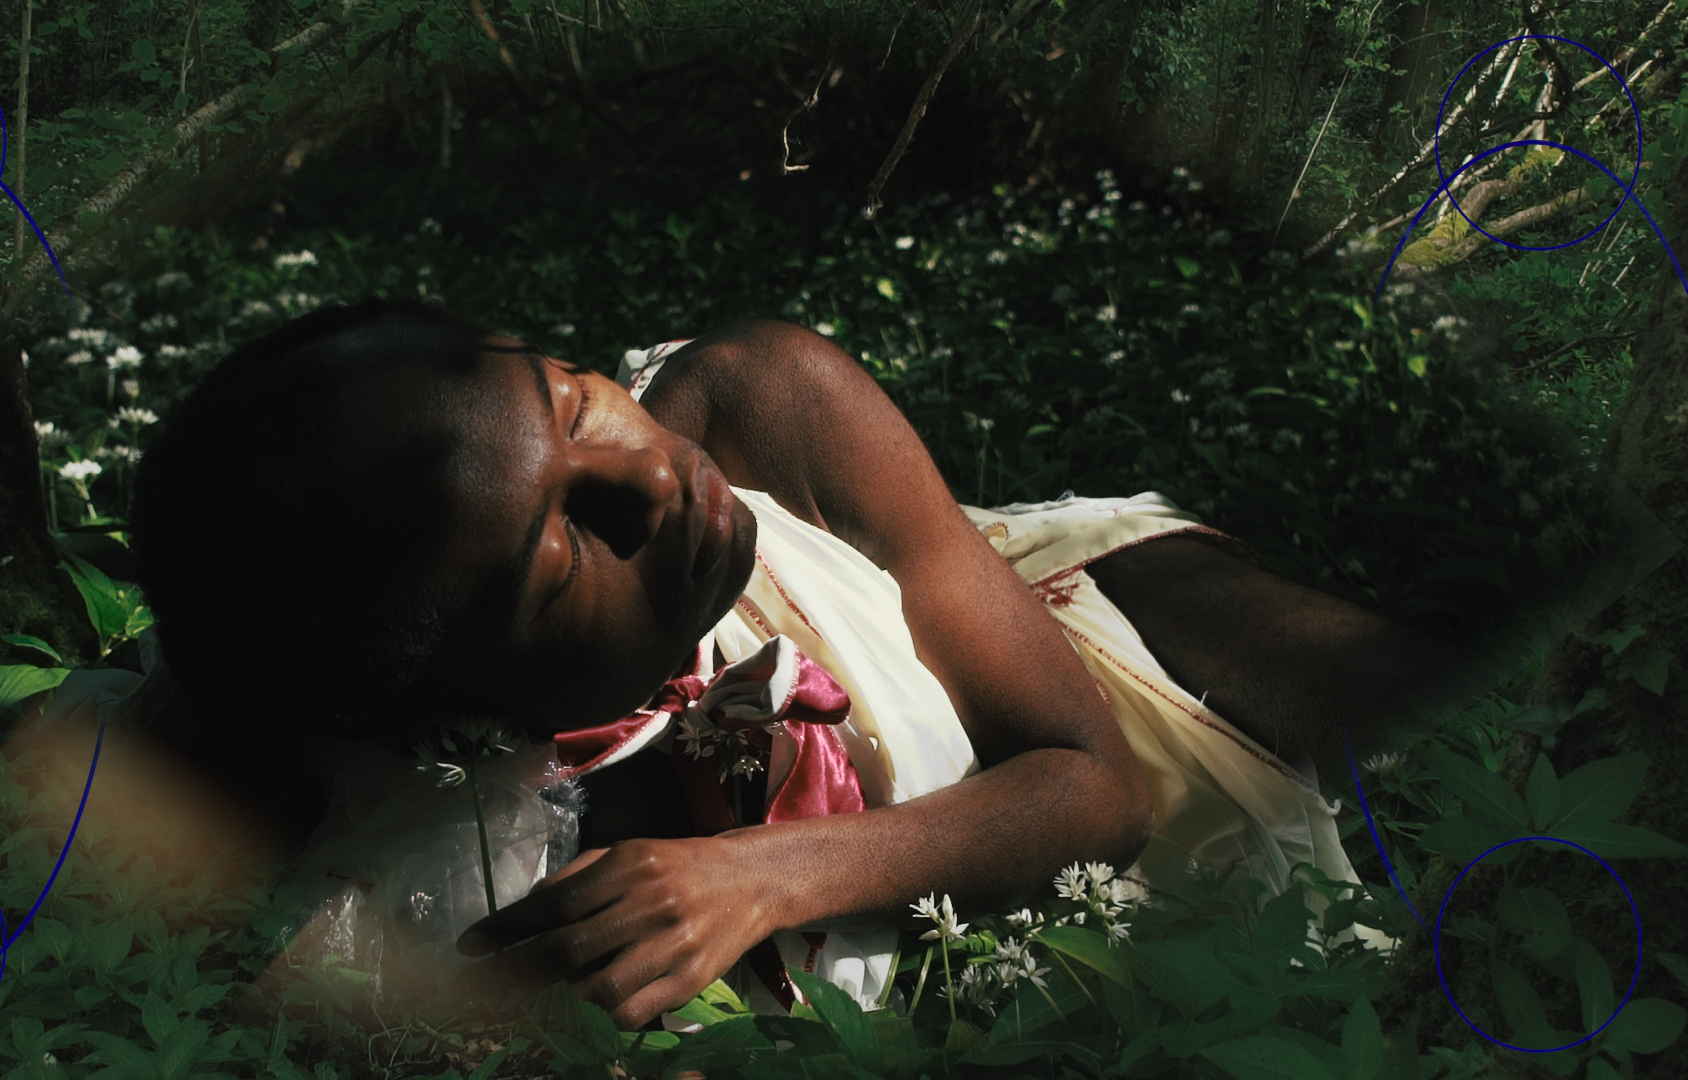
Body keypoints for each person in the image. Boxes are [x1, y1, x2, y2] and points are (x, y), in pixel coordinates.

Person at [112, 298, 1457, 1030]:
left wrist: (753, 873)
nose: (649, 478)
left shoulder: (764, 399)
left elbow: (1094, 788)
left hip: (1033, 618)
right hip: (974, 778)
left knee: (1429, 726)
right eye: (561, 551)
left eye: (577, 400)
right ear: (452, 710)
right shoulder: (431, 812)